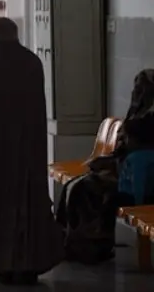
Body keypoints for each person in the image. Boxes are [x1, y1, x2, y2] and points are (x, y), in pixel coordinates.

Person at [0, 18, 63, 284]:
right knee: (26, 205)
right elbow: (37, 113)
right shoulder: (31, 64)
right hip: (27, 155)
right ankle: (29, 260)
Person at [56, 69, 154, 264]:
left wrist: (113, 163)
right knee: (73, 186)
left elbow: (138, 154)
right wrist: (106, 160)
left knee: (86, 189)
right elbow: (123, 149)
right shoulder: (137, 115)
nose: (136, 94)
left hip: (137, 179)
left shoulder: (149, 120)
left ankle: (92, 245)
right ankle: (68, 240)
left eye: (141, 89)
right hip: (122, 170)